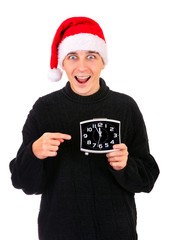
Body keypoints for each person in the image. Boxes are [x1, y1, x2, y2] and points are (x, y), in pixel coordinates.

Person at [9, 17, 160, 240]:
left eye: (91, 56)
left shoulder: (125, 107)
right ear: (62, 63)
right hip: (59, 232)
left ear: (103, 62)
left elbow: (148, 179)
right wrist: (34, 153)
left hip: (117, 233)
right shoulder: (44, 109)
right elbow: (23, 183)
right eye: (72, 57)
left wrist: (126, 165)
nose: (81, 66)